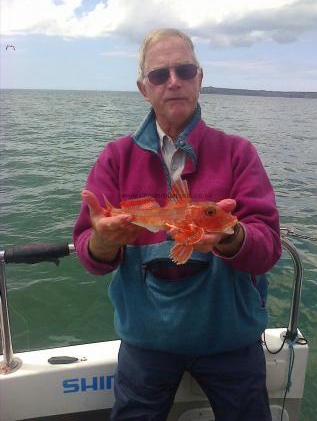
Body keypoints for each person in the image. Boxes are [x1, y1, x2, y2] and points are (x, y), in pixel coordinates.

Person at [73, 28, 281, 421]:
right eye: (159, 74)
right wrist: (103, 240)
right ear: (143, 88)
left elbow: (268, 247)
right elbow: (90, 252)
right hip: (147, 342)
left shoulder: (238, 153)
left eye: (185, 70)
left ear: (199, 79)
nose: (174, 82)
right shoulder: (116, 157)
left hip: (230, 340)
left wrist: (232, 237)